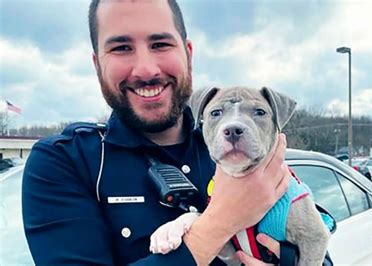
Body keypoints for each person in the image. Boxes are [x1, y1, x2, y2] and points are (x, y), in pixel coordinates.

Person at [22, 0, 291, 265]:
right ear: (97, 65)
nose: (146, 70)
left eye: (160, 44)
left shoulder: (249, 145)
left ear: (188, 54)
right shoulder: (65, 162)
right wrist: (220, 223)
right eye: (121, 47)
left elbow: (316, 249)